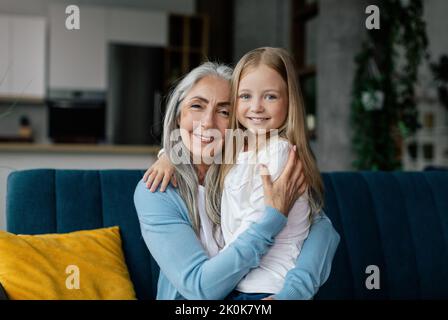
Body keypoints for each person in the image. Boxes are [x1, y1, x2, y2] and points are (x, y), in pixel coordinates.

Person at [135, 61, 340, 300]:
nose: (208, 122)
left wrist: (293, 293)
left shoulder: (247, 169)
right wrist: (273, 217)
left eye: (224, 111)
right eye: (197, 106)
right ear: (179, 115)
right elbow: (199, 289)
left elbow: (322, 227)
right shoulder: (157, 191)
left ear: (238, 121)